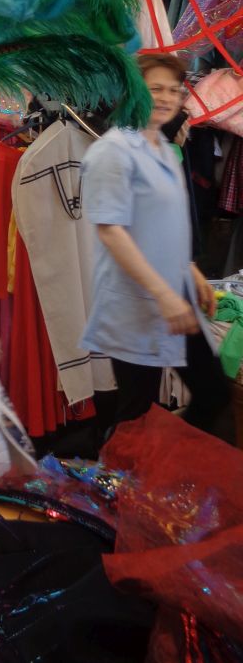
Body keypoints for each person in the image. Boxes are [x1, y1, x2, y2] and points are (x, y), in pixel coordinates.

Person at [81, 52, 229, 436]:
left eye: (173, 90)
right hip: (137, 303)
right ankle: (122, 471)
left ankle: (168, 462)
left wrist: (191, 271)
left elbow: (164, 224)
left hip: (175, 294)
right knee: (136, 416)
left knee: (213, 392)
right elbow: (111, 231)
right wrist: (163, 295)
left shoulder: (163, 147)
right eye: (155, 89)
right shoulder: (112, 151)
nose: (165, 98)